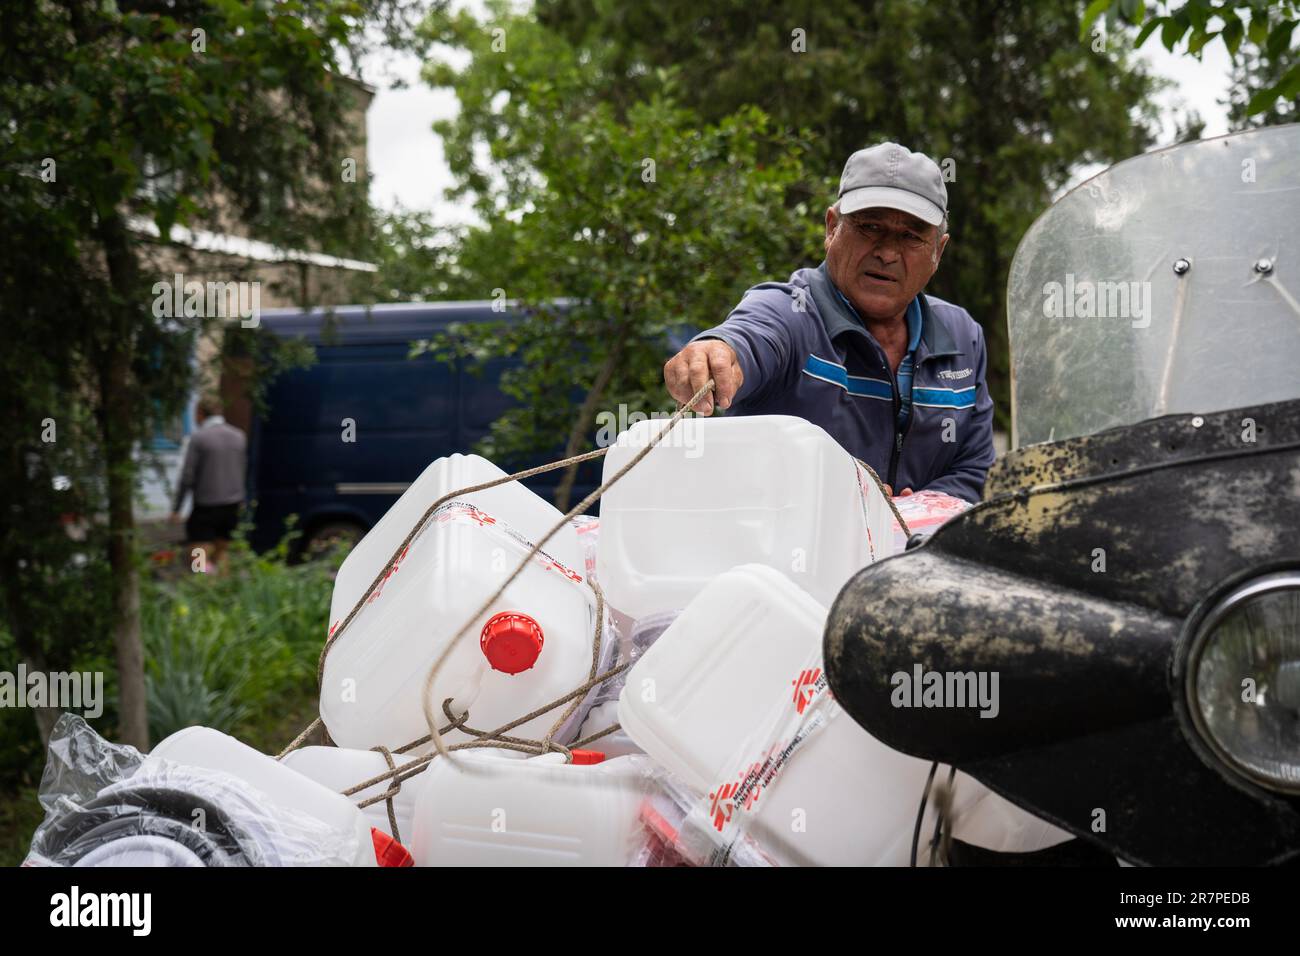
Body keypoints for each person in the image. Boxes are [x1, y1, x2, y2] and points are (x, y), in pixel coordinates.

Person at [663, 142, 995, 503]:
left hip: (914, 554)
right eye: (869, 227)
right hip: (779, 555)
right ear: (832, 228)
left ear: (938, 252)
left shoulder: (963, 336)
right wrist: (714, 353)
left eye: (911, 236)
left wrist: (909, 513)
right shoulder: (789, 311)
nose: (887, 252)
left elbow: (974, 472)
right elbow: (747, 338)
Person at [169, 396, 247, 571]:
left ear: (200, 413)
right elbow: (242, 469)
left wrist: (177, 508)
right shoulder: (239, 436)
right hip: (232, 505)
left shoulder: (199, 438)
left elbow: (188, 476)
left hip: (206, 506)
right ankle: (221, 589)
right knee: (222, 551)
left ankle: (202, 584)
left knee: (198, 552)